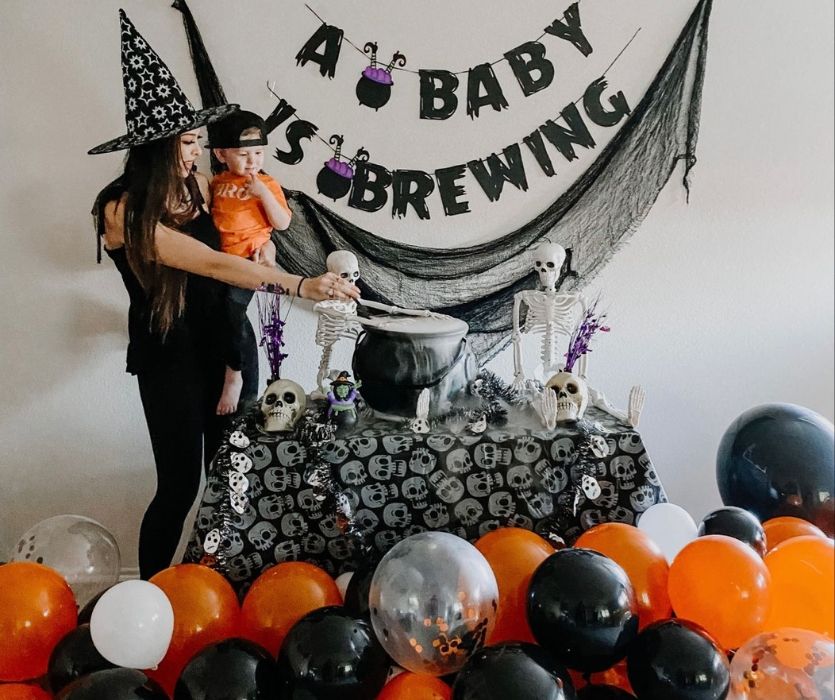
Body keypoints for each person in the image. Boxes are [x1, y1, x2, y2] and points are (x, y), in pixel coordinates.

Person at [89, 10, 359, 579]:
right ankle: (151, 591)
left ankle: (224, 588)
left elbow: (241, 241)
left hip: (228, 346)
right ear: (157, 147)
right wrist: (298, 284)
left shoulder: (200, 187)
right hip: (170, 356)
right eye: (186, 142)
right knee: (181, 484)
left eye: (196, 141)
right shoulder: (120, 208)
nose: (195, 151)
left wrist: (265, 252)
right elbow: (207, 261)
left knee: (236, 473)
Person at [209, 110, 293, 415]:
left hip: (248, 261)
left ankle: (235, 373)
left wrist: (262, 194)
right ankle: (231, 367)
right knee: (223, 316)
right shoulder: (216, 183)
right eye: (243, 154)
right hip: (219, 263)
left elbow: (282, 223)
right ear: (221, 154)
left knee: (232, 310)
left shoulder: (266, 183)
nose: (252, 161)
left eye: (258, 153)